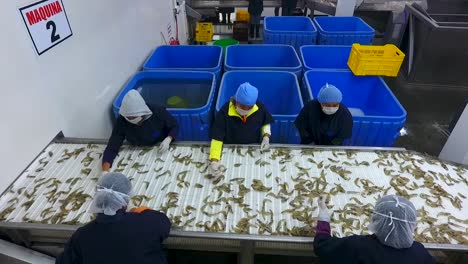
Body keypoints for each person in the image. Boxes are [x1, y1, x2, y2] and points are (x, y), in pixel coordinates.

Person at [56, 173, 171, 264]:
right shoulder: (147, 223)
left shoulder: (82, 235)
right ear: (125, 200)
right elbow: (164, 222)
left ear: (98, 199)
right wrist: (138, 210)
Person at [313, 195, 435, 264]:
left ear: (377, 221)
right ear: (412, 224)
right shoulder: (420, 253)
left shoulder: (359, 246)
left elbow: (322, 246)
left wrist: (323, 215)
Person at [102, 90, 178, 172]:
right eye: (129, 117)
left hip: (159, 148)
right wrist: (105, 171)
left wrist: (168, 139)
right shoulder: (122, 121)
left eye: (134, 117)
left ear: (142, 112)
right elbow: (112, 146)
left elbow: (174, 125)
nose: (131, 119)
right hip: (136, 149)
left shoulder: (157, 111)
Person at [210, 82, 273, 175]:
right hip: (230, 148)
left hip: (252, 147)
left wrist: (266, 136)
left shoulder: (259, 107)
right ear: (236, 100)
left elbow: (266, 122)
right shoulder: (224, 112)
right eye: (243, 106)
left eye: (250, 107)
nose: (246, 110)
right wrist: (214, 159)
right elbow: (217, 138)